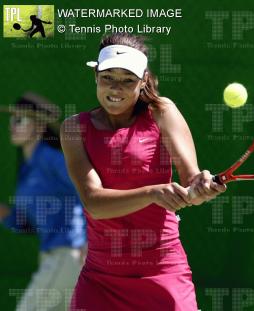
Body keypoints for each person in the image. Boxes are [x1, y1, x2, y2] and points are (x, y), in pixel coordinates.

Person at [60, 32, 226, 311]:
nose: (116, 88)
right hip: (101, 279)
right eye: (107, 77)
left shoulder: (162, 112)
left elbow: (191, 183)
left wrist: (202, 188)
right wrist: (152, 193)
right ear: (95, 77)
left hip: (163, 270)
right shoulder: (74, 128)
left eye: (128, 80)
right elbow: (93, 202)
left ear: (143, 82)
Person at [0, 92, 87, 311]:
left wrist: (88, 241)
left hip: (70, 253)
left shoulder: (52, 159)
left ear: (39, 126)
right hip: (52, 256)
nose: (12, 125)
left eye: (20, 120)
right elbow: (23, 223)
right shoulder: (27, 168)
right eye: (12, 119)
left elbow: (89, 192)